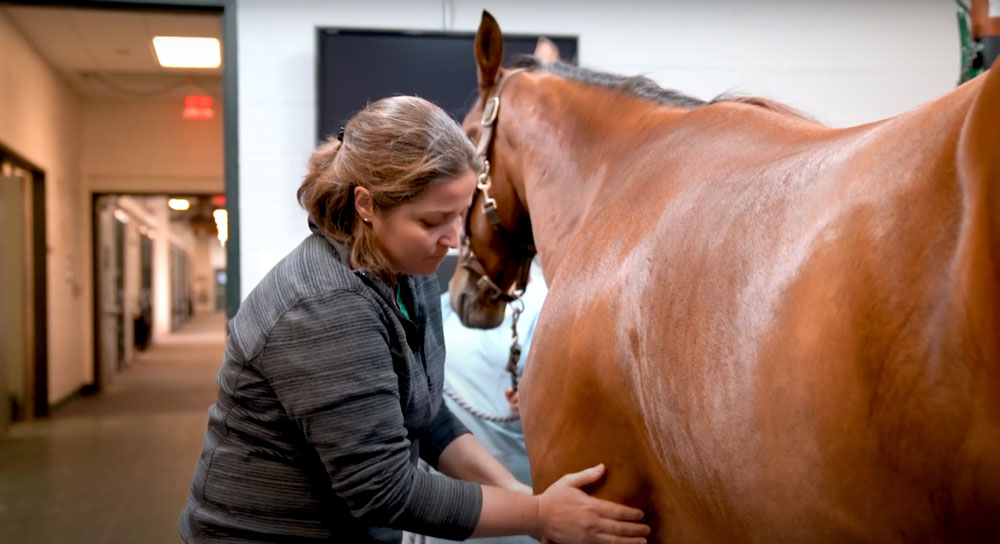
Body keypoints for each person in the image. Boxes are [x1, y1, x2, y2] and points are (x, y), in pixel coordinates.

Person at [178, 96, 650, 544]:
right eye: (432, 221)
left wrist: (529, 503)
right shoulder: (324, 306)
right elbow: (382, 489)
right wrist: (543, 516)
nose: (453, 240)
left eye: (461, 215)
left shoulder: (406, 271)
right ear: (366, 206)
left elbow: (427, 418)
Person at [421, 259, 547, 544]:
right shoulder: (444, 305)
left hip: (521, 491)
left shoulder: (544, 304)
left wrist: (536, 397)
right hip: (454, 504)